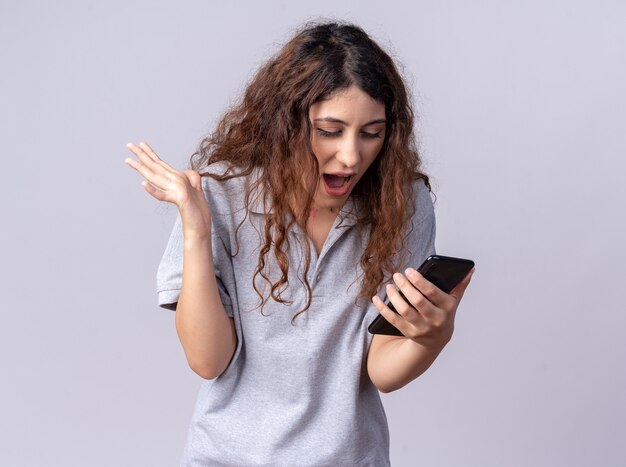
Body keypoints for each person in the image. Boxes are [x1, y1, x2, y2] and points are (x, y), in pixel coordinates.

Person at [124, 21, 473, 467]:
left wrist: (434, 336)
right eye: (330, 130)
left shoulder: (402, 203)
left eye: (372, 132)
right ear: (284, 125)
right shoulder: (219, 195)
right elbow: (208, 360)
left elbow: (379, 370)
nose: (351, 156)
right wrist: (196, 228)